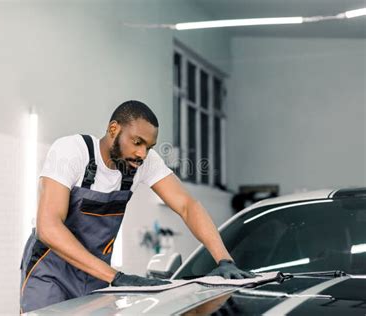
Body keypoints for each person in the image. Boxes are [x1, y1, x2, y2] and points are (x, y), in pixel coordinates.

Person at [19, 100, 255, 313]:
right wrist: (118, 278)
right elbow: (48, 228)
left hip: (95, 275)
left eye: (149, 147)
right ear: (113, 129)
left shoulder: (143, 163)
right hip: (51, 273)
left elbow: (187, 206)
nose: (142, 153)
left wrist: (224, 260)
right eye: (137, 142)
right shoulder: (72, 151)